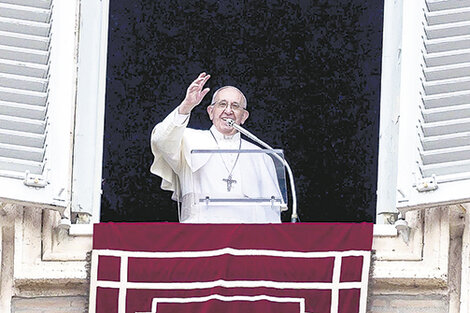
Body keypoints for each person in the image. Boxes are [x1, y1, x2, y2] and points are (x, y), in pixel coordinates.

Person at [150, 73, 284, 223]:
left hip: (247, 241)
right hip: (200, 237)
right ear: (210, 112)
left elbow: (272, 212)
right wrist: (186, 106)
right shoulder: (187, 140)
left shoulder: (261, 155)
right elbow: (160, 140)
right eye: (222, 104)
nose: (228, 111)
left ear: (244, 116)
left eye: (235, 106)